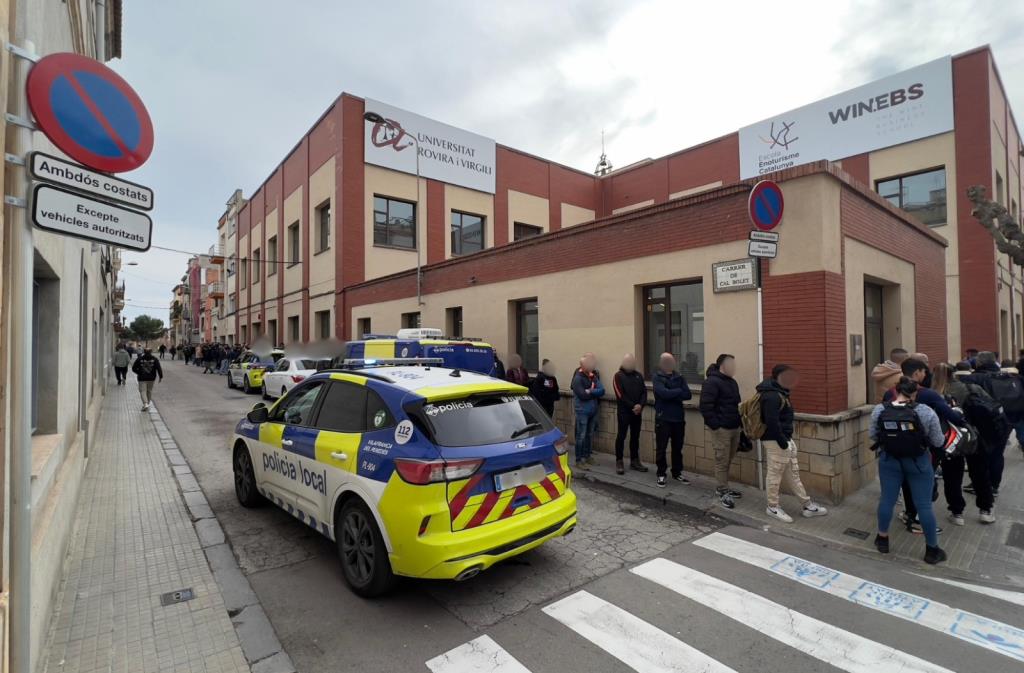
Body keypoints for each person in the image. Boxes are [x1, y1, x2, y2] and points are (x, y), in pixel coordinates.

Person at [870, 376, 947, 564]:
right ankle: (931, 550)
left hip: (889, 460)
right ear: (915, 393)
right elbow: (938, 441)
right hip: (918, 462)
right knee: (924, 505)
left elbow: (873, 436)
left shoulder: (880, 410)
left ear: (896, 390)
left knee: (887, 500)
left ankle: (883, 540)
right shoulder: (926, 411)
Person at [883, 358, 959, 533]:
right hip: (922, 450)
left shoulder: (889, 393)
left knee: (906, 483)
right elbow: (951, 417)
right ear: (917, 373)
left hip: (895, 448)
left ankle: (909, 513)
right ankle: (919, 521)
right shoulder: (929, 395)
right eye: (923, 372)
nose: (925, 375)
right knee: (923, 483)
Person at [758, 364, 828, 522]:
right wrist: (782, 441)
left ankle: (807, 504)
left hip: (784, 440)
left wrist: (786, 440)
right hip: (775, 440)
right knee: (774, 475)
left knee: (793, 474)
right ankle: (772, 507)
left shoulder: (781, 392)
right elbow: (771, 421)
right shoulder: (772, 395)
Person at [960, 350, 1014, 517]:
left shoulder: (974, 378)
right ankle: (994, 486)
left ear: (979, 363)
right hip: (1003, 422)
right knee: (998, 454)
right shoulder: (1004, 377)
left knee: (980, 458)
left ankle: (982, 487)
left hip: (981, 425)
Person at [700, 354, 743, 509]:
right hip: (721, 429)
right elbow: (705, 406)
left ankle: (724, 487)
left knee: (728, 459)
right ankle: (722, 491)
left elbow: (736, 403)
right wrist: (716, 427)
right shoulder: (711, 382)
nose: (734, 367)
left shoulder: (732, 382)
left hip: (734, 427)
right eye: (731, 364)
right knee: (721, 460)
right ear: (722, 366)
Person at [931, 363, 971, 526]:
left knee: (928, 475)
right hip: (955, 440)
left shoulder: (929, 393)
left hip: (934, 440)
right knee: (954, 478)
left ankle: (922, 509)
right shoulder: (964, 388)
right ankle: (957, 512)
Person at [652, 352, 692, 488]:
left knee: (677, 448)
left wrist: (672, 392)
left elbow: (688, 394)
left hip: (678, 419)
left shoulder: (679, 377)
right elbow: (662, 393)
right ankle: (661, 474)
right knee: (661, 448)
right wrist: (678, 391)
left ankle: (677, 472)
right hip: (663, 418)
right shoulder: (657, 377)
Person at [612, 354, 648, 475]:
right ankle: (619, 461)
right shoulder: (618, 376)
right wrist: (633, 406)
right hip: (624, 412)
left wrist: (641, 405)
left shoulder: (639, 376)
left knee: (635, 437)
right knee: (621, 436)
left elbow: (644, 392)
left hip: (637, 412)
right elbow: (620, 394)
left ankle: (634, 460)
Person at [570, 353, 604, 470]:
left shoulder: (593, 376)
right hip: (582, 411)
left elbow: (602, 390)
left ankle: (587, 456)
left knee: (589, 434)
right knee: (581, 435)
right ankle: (579, 460)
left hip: (593, 410)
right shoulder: (577, 378)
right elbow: (582, 395)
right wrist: (592, 391)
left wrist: (591, 391)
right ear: (582, 366)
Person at [132, 347, 163, 411]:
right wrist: (160, 376)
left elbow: (133, 368)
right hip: (151, 378)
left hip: (142, 378)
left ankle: (145, 404)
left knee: (142, 391)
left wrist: (139, 372)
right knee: (149, 391)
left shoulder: (139, 359)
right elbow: (159, 368)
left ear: (144, 352)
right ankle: (147, 404)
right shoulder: (155, 359)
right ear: (151, 352)